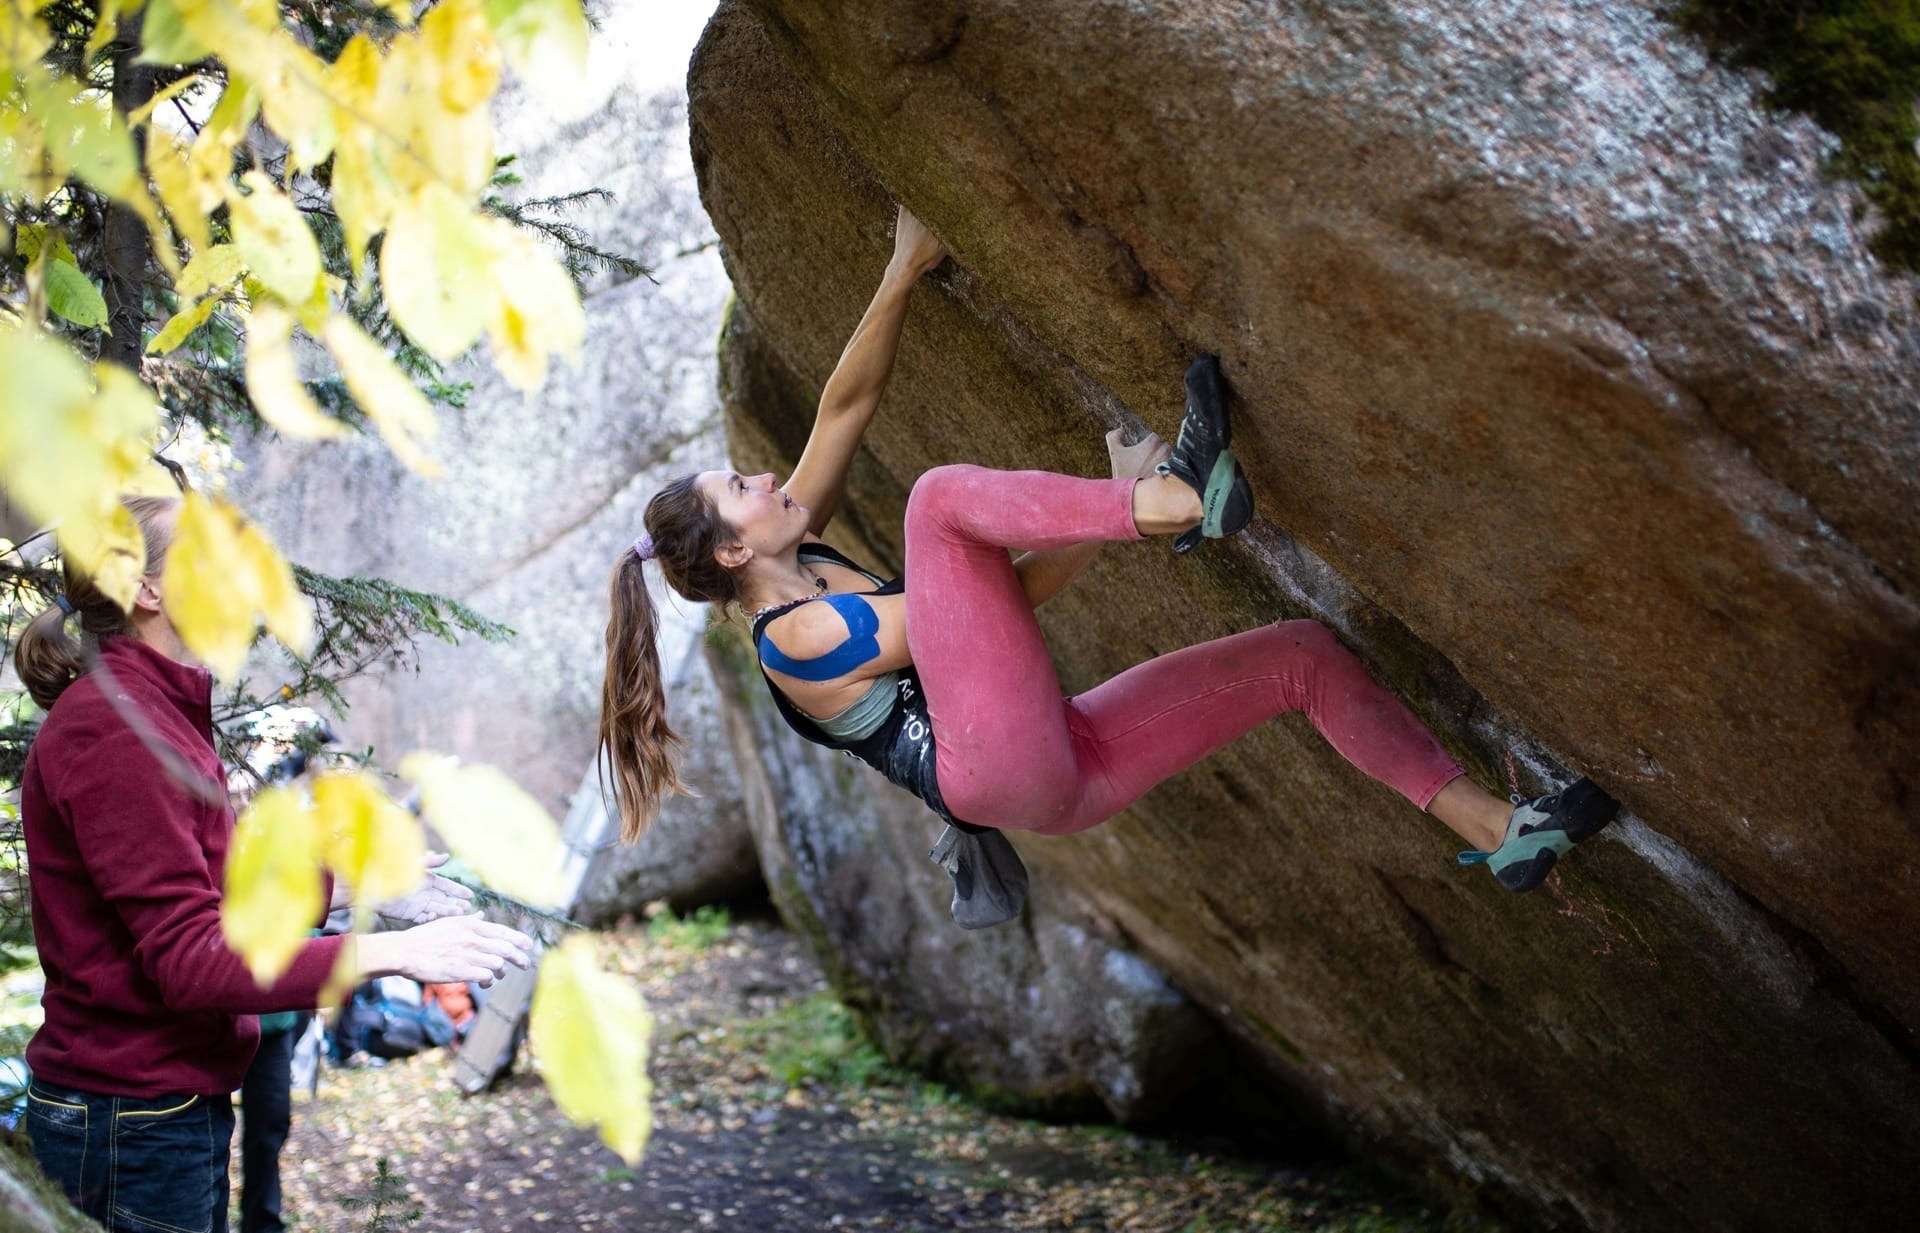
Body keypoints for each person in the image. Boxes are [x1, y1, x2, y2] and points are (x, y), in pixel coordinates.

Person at [599, 206, 1616, 908]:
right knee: (941, 500)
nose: (768, 479)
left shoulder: (803, 551)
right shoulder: (800, 635)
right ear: (734, 550)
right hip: (993, 769)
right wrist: (1134, 504)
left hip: (1055, 764)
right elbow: (987, 597)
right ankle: (1178, 496)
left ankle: (1501, 832)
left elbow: (848, 407)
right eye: (742, 490)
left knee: (1298, 654)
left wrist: (904, 266)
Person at [14, 493, 534, 1233]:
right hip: (129, 1119)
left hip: (156, 1112)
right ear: (147, 587)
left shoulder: (151, 712)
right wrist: (396, 952)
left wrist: (352, 887)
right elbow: (193, 962)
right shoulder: (119, 731)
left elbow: (209, 892)